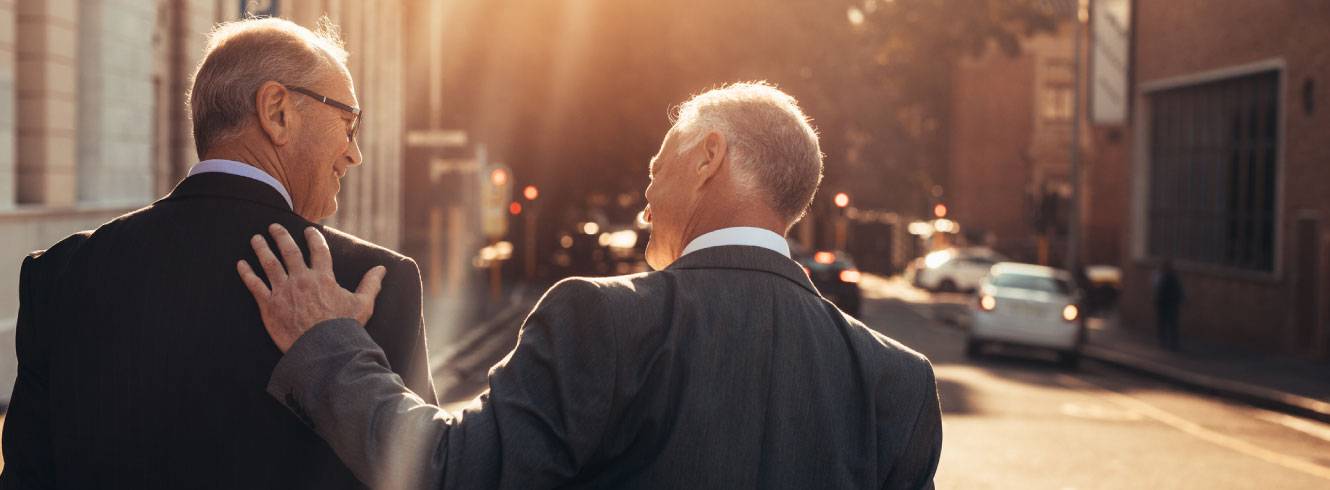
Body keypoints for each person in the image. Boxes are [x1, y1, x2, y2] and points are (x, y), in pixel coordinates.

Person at [241, 82, 942, 489]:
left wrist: (328, 343)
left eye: (658, 164)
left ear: (708, 159)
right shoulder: (896, 382)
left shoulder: (601, 320)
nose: (645, 195)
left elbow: (451, 472)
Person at [1, 18, 436, 489]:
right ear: (277, 112)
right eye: (349, 122)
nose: (355, 154)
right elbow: (425, 475)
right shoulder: (373, 281)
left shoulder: (62, 272)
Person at [1153, 259, 1185, 351]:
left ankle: (1163, 340)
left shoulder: (1159, 274)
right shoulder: (1173, 275)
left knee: (1163, 322)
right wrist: (1183, 298)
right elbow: (1180, 288)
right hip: (1171, 302)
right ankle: (1172, 342)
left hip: (1163, 302)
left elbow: (1155, 286)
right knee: (1172, 323)